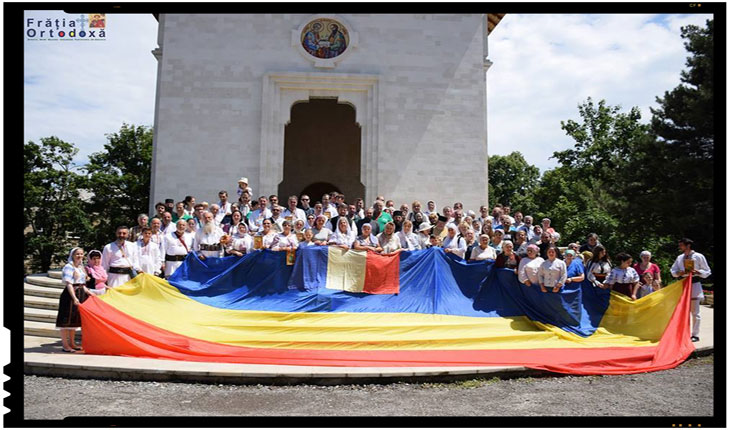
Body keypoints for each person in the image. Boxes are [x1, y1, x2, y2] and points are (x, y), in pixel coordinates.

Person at [670, 238, 712, 342]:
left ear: (688, 245)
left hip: (694, 284)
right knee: (682, 311)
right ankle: (682, 333)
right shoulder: (680, 257)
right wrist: (678, 273)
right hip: (683, 284)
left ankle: (695, 334)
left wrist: (698, 272)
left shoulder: (698, 256)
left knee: (695, 312)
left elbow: (707, 271)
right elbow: (673, 270)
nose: (680, 247)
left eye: (681, 245)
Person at [56, 247, 92, 352]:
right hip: (70, 295)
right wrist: (74, 297)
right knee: (66, 319)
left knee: (74, 320)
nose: (79, 256)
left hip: (80, 293)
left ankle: (72, 343)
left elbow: (82, 283)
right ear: (72, 255)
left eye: (81, 254)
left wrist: (88, 292)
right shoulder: (68, 267)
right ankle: (65, 345)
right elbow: (69, 284)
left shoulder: (81, 267)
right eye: (77, 254)